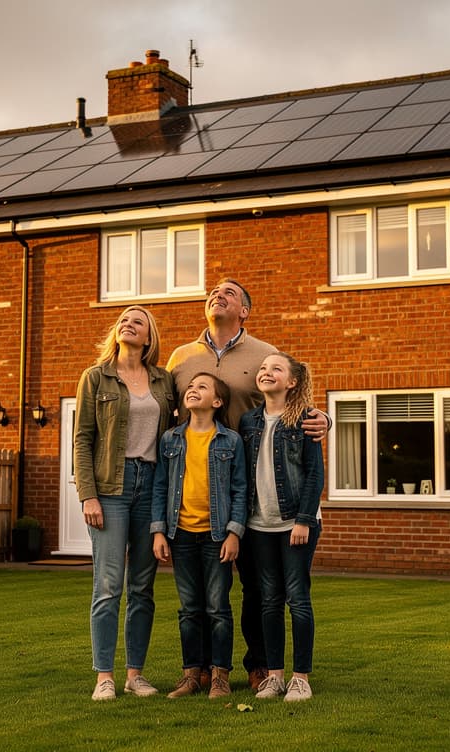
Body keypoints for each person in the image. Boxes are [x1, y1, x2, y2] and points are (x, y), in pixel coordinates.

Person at [165, 278, 329, 690]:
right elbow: (164, 416)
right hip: (201, 489)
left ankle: (262, 666)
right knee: (202, 591)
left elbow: (292, 406)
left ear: (245, 311)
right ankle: (200, 669)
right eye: (213, 292)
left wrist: (325, 418)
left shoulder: (264, 355)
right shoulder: (180, 358)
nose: (217, 295)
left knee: (258, 589)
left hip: (251, 489)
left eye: (230, 293)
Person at [73, 305, 176, 701]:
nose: (128, 324)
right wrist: (88, 495)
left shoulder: (164, 381)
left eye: (138, 321)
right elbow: (83, 439)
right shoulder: (95, 378)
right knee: (108, 585)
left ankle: (135, 675)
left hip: (151, 486)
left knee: (143, 587)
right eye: (123, 320)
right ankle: (104, 677)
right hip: (110, 489)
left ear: (148, 338)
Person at [150, 372, 248, 699]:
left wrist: (234, 532)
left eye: (201, 387)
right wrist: (159, 532)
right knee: (190, 608)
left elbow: (240, 489)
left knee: (218, 607)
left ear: (217, 402)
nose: (193, 390)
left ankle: (220, 675)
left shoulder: (230, 441)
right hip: (180, 536)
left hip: (217, 536)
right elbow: (160, 487)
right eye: (190, 387)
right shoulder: (171, 439)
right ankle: (192, 674)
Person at [240, 352, 325, 702]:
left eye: (276, 368)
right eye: (262, 368)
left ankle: (300, 677)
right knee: (269, 602)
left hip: (296, 524)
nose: (266, 372)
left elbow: (314, 474)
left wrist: (304, 520)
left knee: (298, 599)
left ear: (292, 381)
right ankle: (274, 676)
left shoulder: (305, 419)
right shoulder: (248, 421)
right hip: (259, 525)